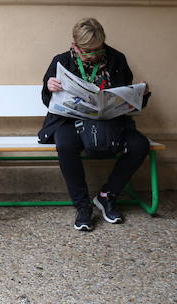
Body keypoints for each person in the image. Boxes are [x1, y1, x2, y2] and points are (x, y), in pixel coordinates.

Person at [39, 18, 150, 231]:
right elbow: (47, 101)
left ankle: (107, 196)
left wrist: (140, 94)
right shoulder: (61, 61)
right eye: (87, 51)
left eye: (97, 49)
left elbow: (127, 98)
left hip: (111, 121)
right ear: (75, 46)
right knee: (65, 144)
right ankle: (83, 206)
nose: (93, 55)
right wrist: (49, 87)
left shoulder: (117, 59)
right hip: (70, 121)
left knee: (139, 145)